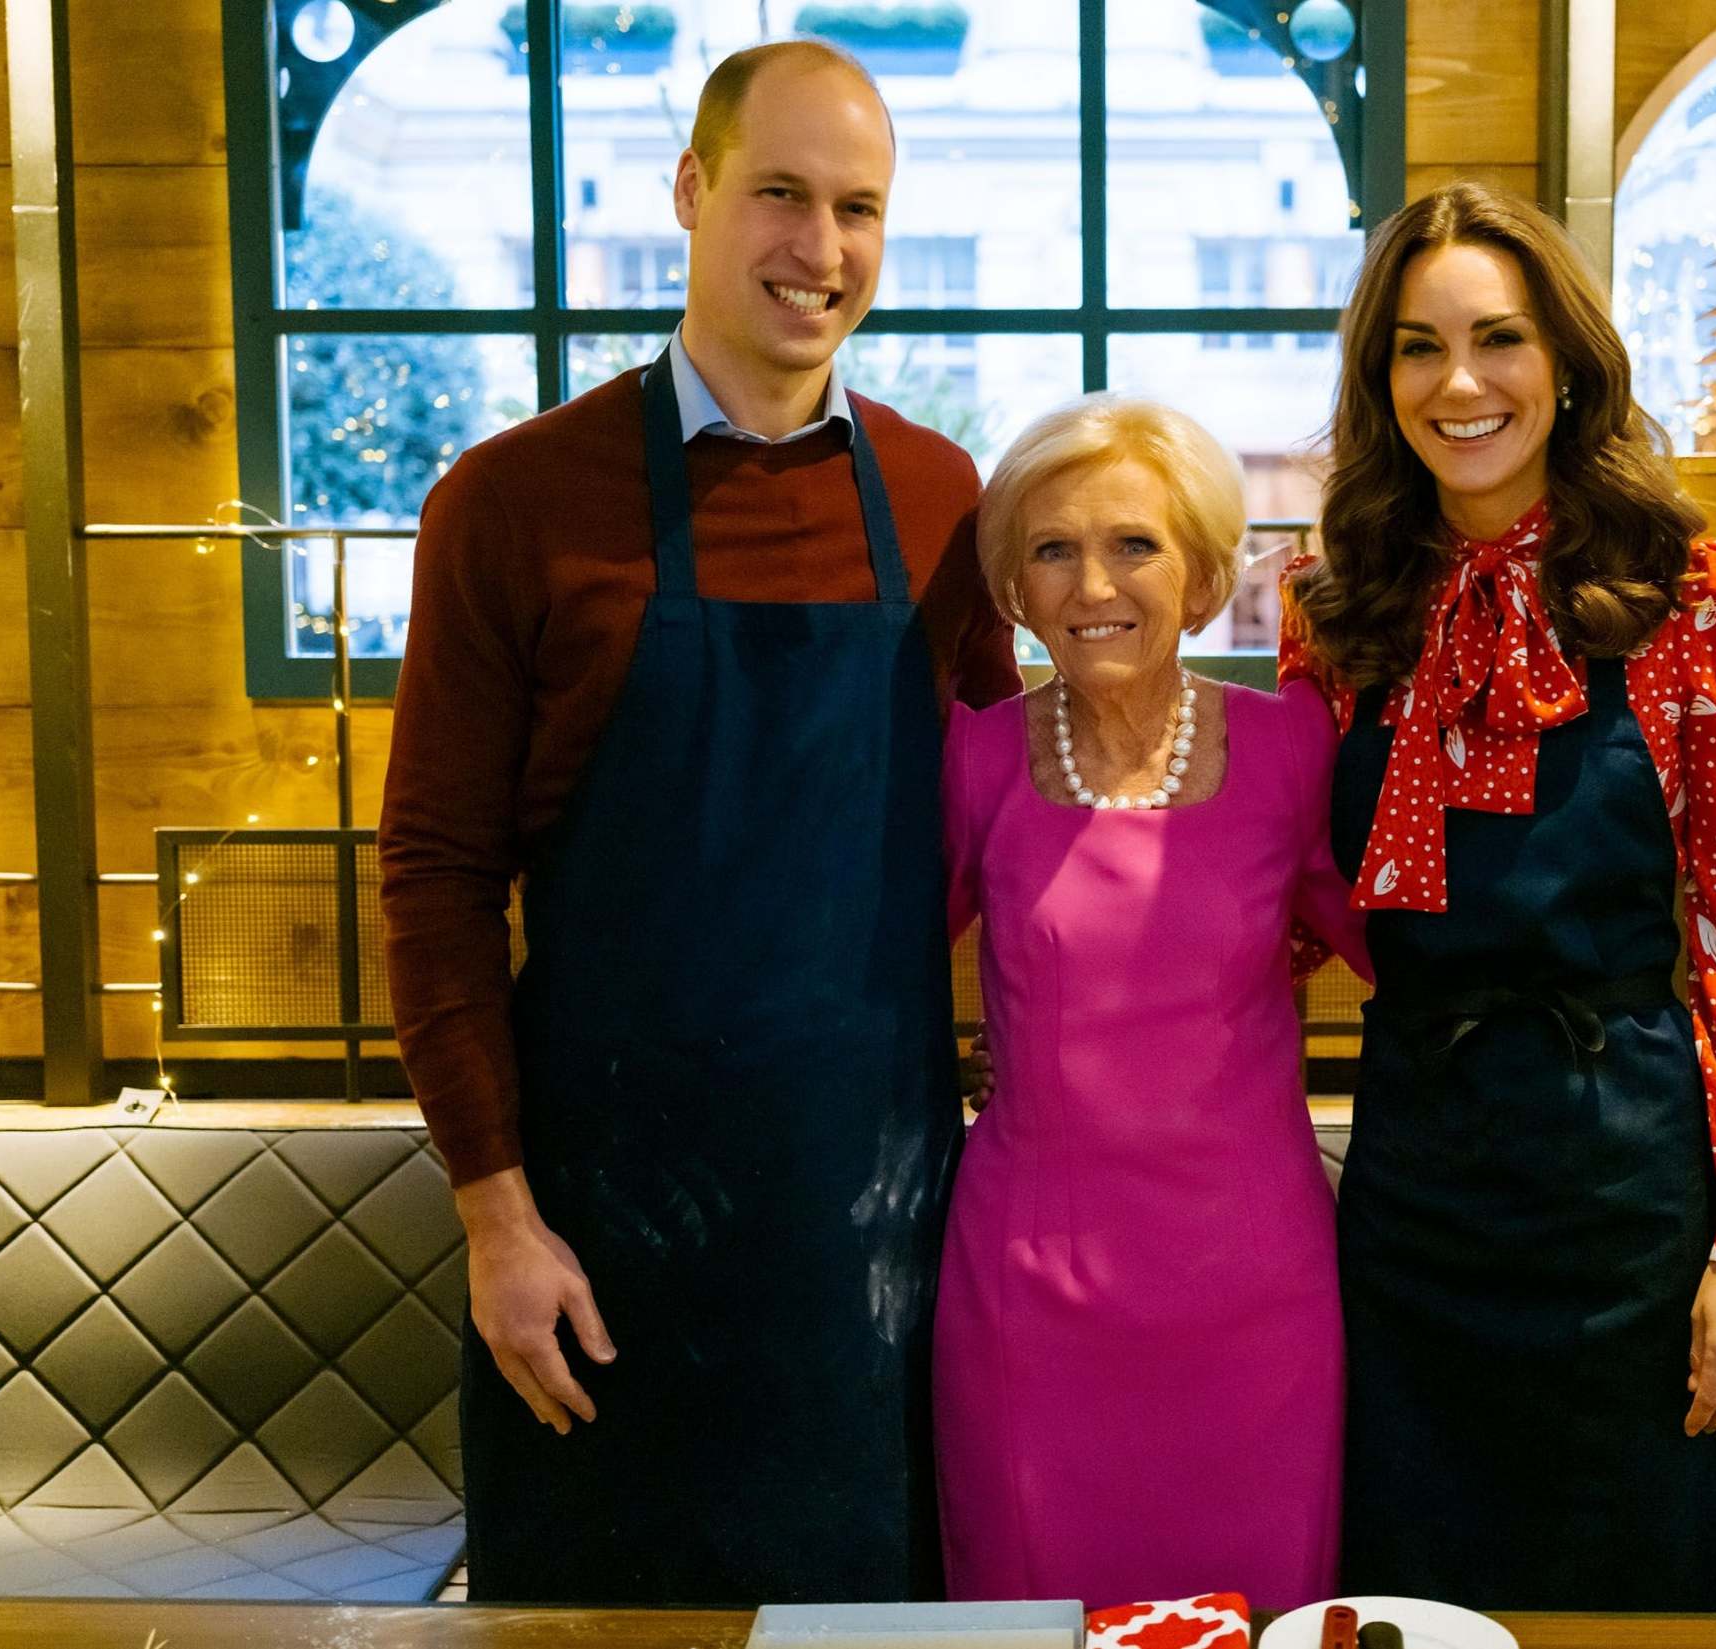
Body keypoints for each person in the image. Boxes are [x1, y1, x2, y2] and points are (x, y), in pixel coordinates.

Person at [376, 40, 1021, 1606]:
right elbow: (436, 877)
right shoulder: (514, 500)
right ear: (691, 192)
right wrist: (495, 1217)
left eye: (858, 208)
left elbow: (1010, 829)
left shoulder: (946, 504)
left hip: (872, 1235)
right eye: (781, 196)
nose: (822, 249)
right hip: (597, 1242)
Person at [1278, 182, 1716, 1609]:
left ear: (1568, 358)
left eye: (1498, 338)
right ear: (1377, 375)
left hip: (1630, 1185)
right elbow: (1287, 902)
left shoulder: (1694, 589)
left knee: (1651, 1591)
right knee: (1413, 1598)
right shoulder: (1334, 605)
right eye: (1415, 347)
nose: (1458, 383)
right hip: (1416, 1183)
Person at [933, 396, 1368, 1610]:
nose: (1092, 583)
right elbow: (872, 975)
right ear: (1013, 587)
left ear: (1205, 573)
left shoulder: (1293, 751)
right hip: (1029, 1308)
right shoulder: (971, 757)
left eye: (1133, 544)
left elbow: (1412, 958)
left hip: (1257, 1303)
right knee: (1035, 1613)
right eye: (1051, 548)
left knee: (1266, 1614)